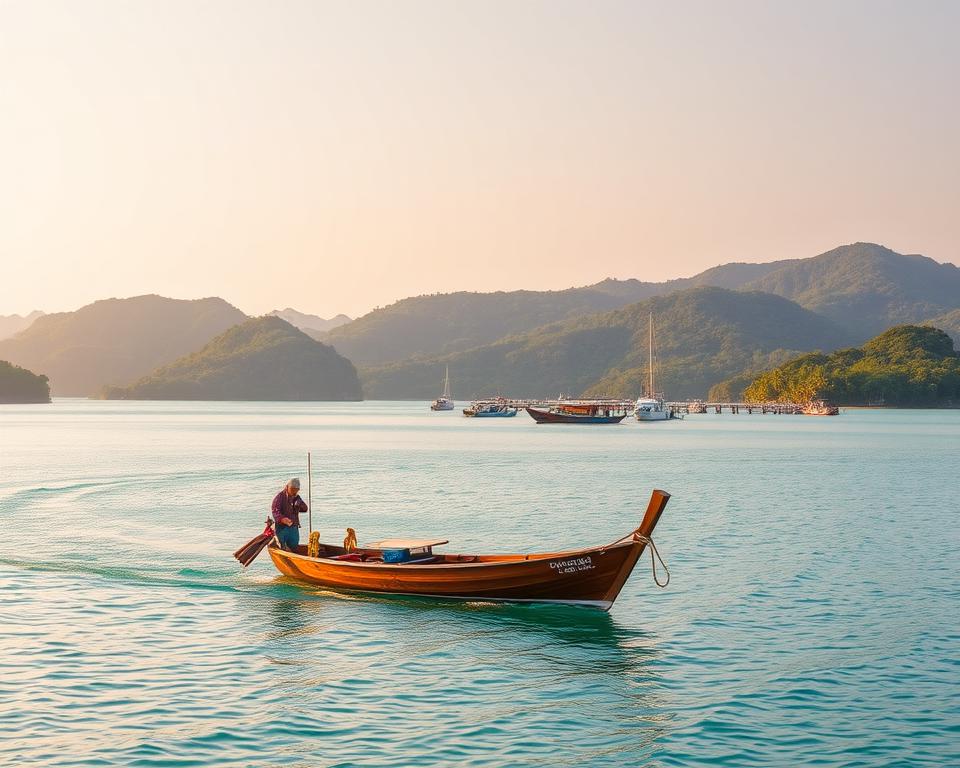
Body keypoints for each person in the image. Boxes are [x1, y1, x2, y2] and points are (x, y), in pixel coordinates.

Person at [271, 477, 308, 552]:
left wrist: (299, 503)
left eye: (296, 490)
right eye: (292, 489)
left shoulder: (297, 497)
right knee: (282, 547)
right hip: (282, 528)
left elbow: (305, 509)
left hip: (293, 527)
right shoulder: (280, 497)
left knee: (294, 547)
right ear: (287, 487)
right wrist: (282, 519)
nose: (294, 492)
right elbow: (275, 511)